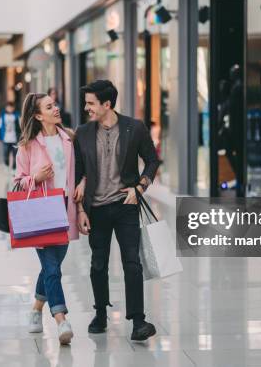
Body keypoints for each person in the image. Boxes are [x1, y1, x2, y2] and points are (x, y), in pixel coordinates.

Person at [74, 79, 160, 341]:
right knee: (98, 264)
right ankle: (100, 313)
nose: (86, 107)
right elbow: (78, 174)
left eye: (91, 103)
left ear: (106, 104)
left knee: (132, 263)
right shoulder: (83, 132)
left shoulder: (134, 128)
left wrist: (140, 188)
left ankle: (138, 322)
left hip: (126, 206)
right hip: (96, 208)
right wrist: (80, 210)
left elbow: (152, 160)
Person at [14, 93, 84, 345]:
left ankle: (35, 309)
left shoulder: (69, 139)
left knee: (50, 268)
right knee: (53, 268)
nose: (56, 109)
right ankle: (61, 319)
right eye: (49, 106)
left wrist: (83, 190)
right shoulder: (28, 145)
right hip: (41, 211)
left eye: (55, 105)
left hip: (66, 210)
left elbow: (80, 173)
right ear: (37, 115)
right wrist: (36, 177)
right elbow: (19, 183)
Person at [0, 102, 21, 170]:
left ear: (13, 108)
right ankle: (6, 165)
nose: (10, 108)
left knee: (15, 155)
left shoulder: (17, 115)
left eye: (11, 107)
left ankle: (14, 168)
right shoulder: (3, 116)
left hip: (15, 139)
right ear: (6, 108)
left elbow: (20, 126)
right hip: (6, 139)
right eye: (8, 107)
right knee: (6, 154)